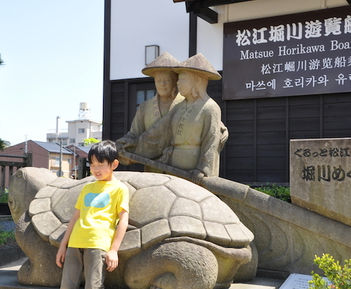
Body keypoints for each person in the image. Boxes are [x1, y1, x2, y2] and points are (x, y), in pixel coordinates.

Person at [132, 53, 228, 183]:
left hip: (193, 169)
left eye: (180, 79)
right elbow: (158, 131)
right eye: (158, 80)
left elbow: (211, 139)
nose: (177, 83)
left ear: (197, 80)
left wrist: (203, 169)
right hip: (169, 167)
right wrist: (133, 145)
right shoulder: (176, 107)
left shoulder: (208, 107)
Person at [55, 140, 129, 289]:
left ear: (114, 164)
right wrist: (63, 245)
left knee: (93, 286)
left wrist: (114, 249)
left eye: (101, 164)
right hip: (75, 242)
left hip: (98, 243)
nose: (96, 169)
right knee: (67, 286)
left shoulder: (120, 189)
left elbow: (123, 220)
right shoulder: (87, 188)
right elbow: (75, 217)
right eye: (92, 164)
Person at [116, 52, 184, 160]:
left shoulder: (185, 104)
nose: (162, 84)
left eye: (167, 80)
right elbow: (134, 133)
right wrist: (126, 141)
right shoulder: (145, 107)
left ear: (175, 82)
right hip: (152, 166)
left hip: (179, 163)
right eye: (159, 80)